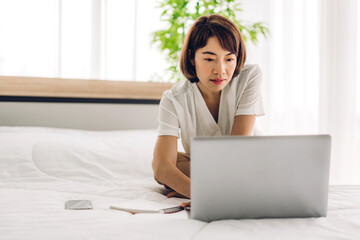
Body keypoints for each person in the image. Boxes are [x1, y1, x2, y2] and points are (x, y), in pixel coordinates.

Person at [152, 14, 265, 206]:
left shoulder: (249, 76)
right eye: (209, 59)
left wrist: (190, 189)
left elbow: (238, 150)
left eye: (229, 59)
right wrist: (201, 195)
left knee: (177, 171)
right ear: (192, 58)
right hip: (228, 175)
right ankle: (230, 188)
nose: (220, 70)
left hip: (246, 164)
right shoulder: (173, 99)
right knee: (171, 164)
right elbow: (161, 168)